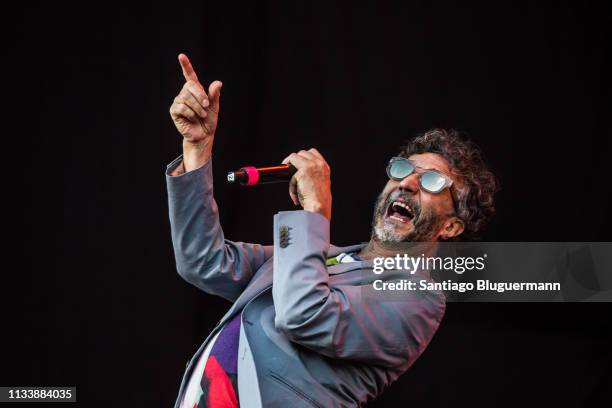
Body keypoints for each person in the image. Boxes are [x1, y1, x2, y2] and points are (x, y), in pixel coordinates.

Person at [166, 53, 496, 408]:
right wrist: (197, 151)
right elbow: (204, 261)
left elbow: (302, 315)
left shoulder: (419, 299)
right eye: (403, 169)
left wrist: (316, 211)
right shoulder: (323, 256)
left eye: (432, 181)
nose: (408, 183)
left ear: (450, 225)